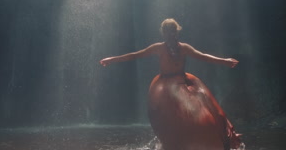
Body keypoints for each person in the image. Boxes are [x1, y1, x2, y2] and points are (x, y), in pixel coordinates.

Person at [100, 18, 242, 150]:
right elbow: (136, 55)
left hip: (184, 82)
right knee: (175, 115)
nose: (170, 34)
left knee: (208, 106)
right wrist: (112, 59)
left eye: (172, 31)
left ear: (177, 31)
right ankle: (174, 142)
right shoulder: (159, 48)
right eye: (167, 31)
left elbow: (203, 56)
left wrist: (224, 61)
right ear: (163, 33)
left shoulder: (184, 48)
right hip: (166, 86)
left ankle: (224, 138)